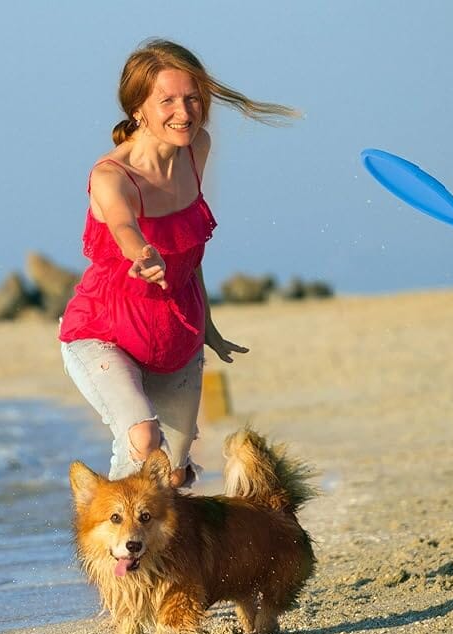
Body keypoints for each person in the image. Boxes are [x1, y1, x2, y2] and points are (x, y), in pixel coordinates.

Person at [59, 39, 298, 488]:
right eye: (167, 101)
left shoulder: (196, 150)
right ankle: (109, 554)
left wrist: (208, 325)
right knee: (142, 438)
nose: (184, 112)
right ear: (138, 109)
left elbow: (190, 253)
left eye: (192, 98)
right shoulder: (112, 176)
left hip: (176, 334)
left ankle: (159, 558)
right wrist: (140, 253)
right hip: (104, 332)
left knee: (171, 475)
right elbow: (123, 226)